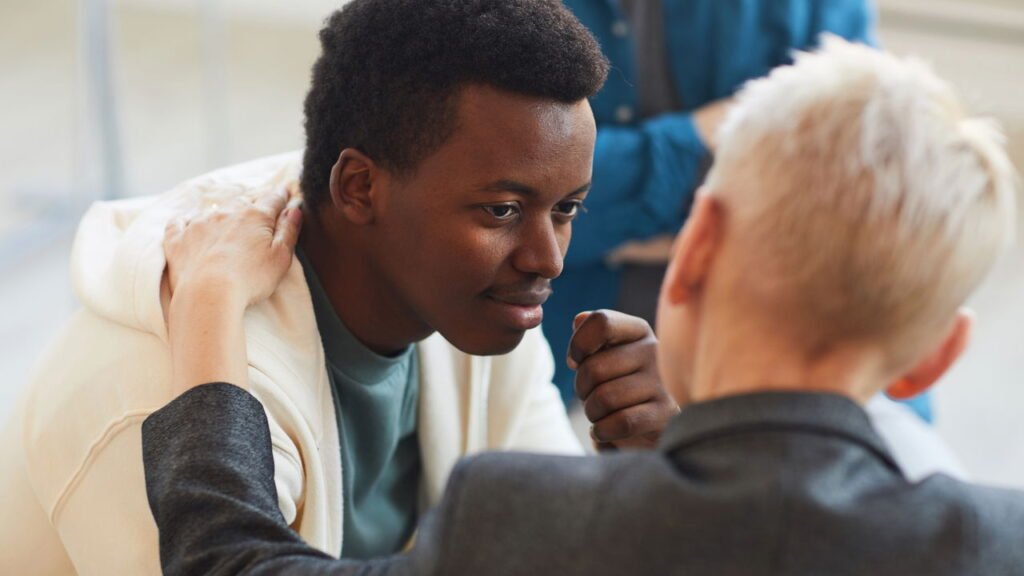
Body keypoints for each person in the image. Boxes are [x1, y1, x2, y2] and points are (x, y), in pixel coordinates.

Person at [141, 37, 1024, 575]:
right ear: (936, 356)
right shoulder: (999, 544)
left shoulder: (524, 521)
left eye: (568, 211)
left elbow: (232, 564)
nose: (551, 258)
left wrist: (211, 302)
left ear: (696, 248)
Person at [0, 2, 683, 573]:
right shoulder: (161, 403)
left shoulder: (473, 305)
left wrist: (647, 474)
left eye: (567, 208)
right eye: (502, 210)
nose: (548, 260)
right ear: (358, 187)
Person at [546, 0, 936, 422]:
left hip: (796, 354)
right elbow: (524, 199)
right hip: (561, 357)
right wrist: (698, 145)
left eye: (702, 232)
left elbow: (859, 189)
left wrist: (612, 214)